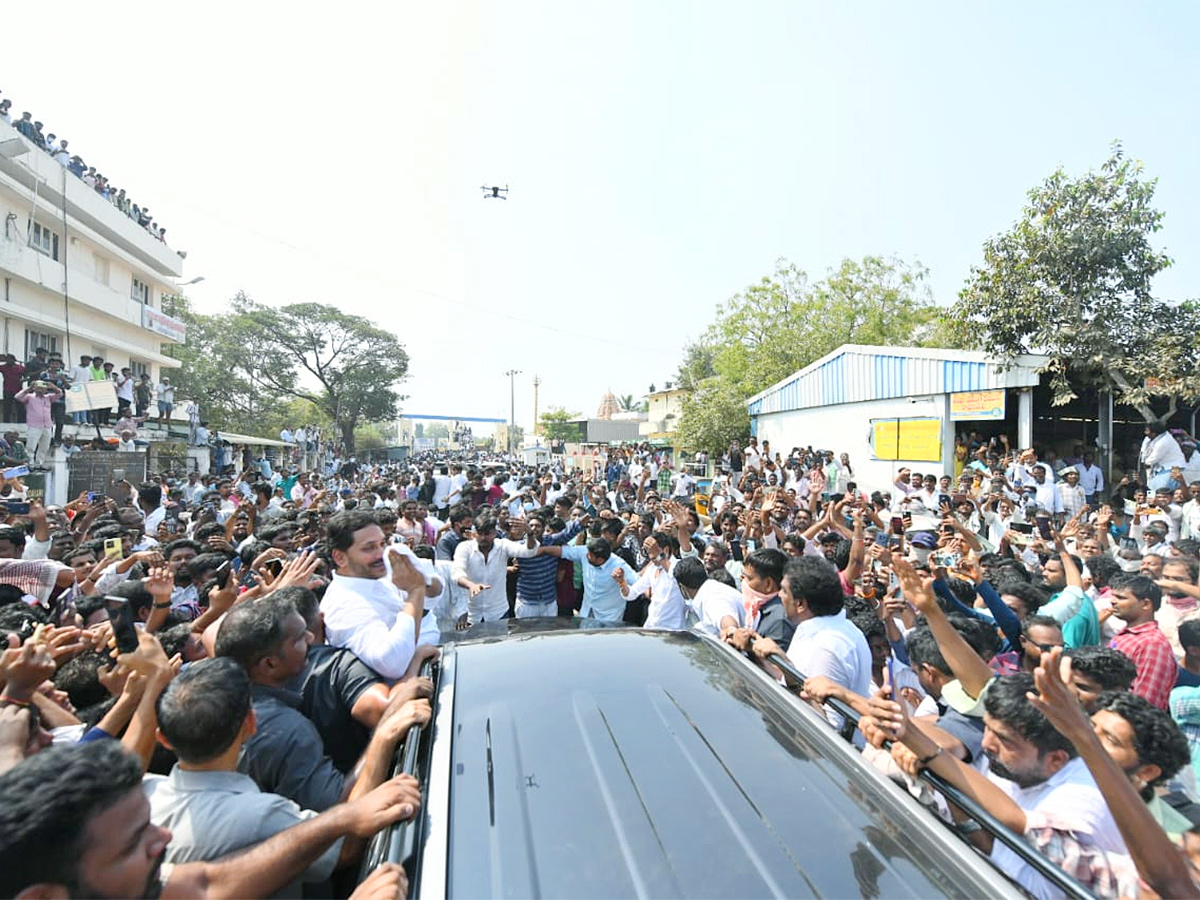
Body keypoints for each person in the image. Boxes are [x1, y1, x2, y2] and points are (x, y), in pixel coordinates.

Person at [0, 740, 420, 899]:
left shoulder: (121, 886)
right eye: (133, 843)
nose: (163, 837)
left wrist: (340, 820)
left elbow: (206, 884)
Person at [320, 510, 436, 680]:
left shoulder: (376, 577)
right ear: (340, 558)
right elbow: (392, 663)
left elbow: (432, 597)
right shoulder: (344, 604)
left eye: (382, 544)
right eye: (369, 548)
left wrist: (421, 581)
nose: (381, 553)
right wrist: (415, 591)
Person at [451, 512, 537, 624]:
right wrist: (471, 585)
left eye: (487, 534)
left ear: (495, 533)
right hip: (472, 614)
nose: (483, 538)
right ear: (475, 533)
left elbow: (529, 551)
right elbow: (457, 572)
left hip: (499, 613)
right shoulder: (465, 548)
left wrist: (530, 533)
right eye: (479, 533)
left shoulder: (503, 546)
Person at [1109, 572, 1178, 709]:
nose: (1113, 601)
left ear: (1146, 604)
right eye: (1113, 596)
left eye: (1121, 598)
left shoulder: (1152, 645)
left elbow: (1146, 703)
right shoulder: (1128, 635)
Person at [14, 380, 61, 469]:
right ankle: (30, 464)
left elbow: (60, 394)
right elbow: (17, 397)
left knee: (44, 447)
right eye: (38, 388)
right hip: (34, 425)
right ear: (35, 389)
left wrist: (53, 387)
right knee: (31, 446)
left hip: (47, 426)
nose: (41, 390)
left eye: (43, 389)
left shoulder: (48, 397)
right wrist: (29, 388)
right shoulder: (29, 397)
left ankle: (38, 464)